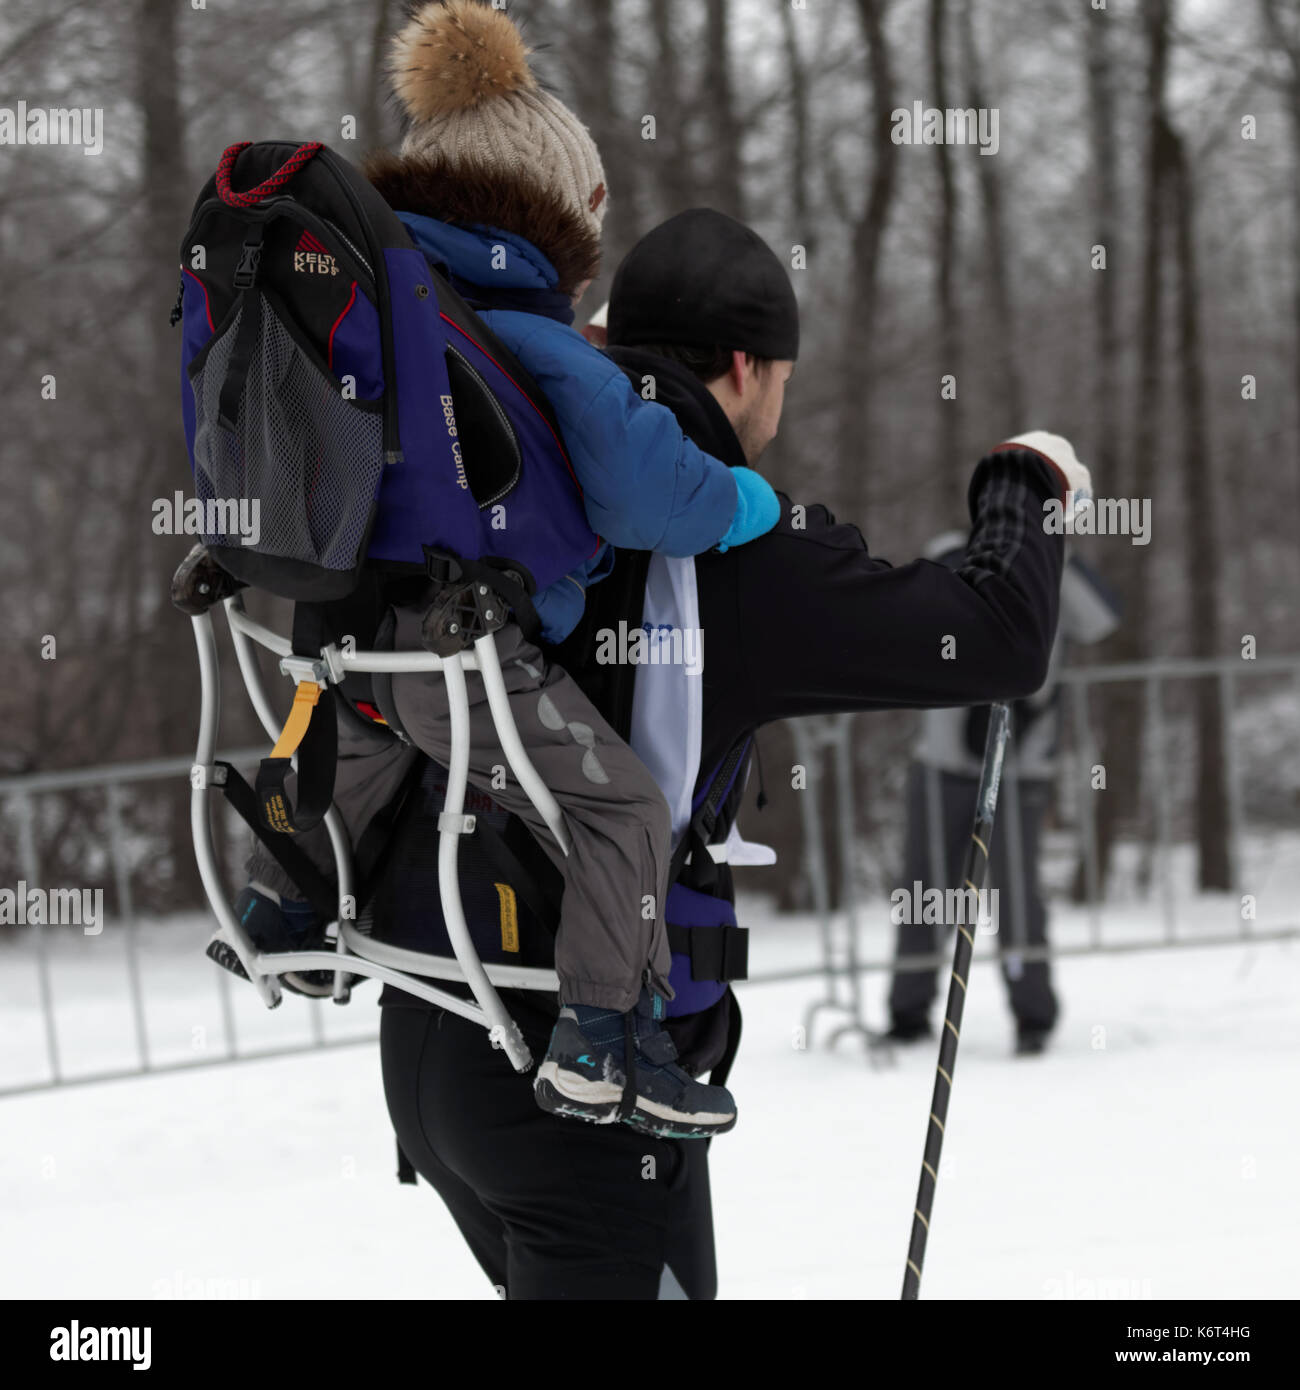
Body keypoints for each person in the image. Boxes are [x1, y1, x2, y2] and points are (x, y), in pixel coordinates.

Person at [361, 204, 1096, 1299]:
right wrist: (1020, 486)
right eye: (784, 381)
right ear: (746, 368)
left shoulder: (519, 486)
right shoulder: (737, 550)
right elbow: (993, 635)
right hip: (579, 1083)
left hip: (436, 1040)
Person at [222, 0, 784, 1139]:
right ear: (550, 215)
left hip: (339, 634)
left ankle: (284, 913)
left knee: (356, 762)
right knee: (618, 806)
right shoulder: (531, 338)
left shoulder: (387, 321)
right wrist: (751, 502)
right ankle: (600, 1039)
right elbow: (645, 494)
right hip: (466, 647)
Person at [886, 539, 1122, 1054]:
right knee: (927, 891)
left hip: (1022, 765)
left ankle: (1033, 1014)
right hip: (944, 761)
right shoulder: (949, 553)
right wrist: (975, 553)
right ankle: (908, 1010)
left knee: (1017, 894)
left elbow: (1102, 619)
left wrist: (1053, 555)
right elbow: (913, 607)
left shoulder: (1051, 565)